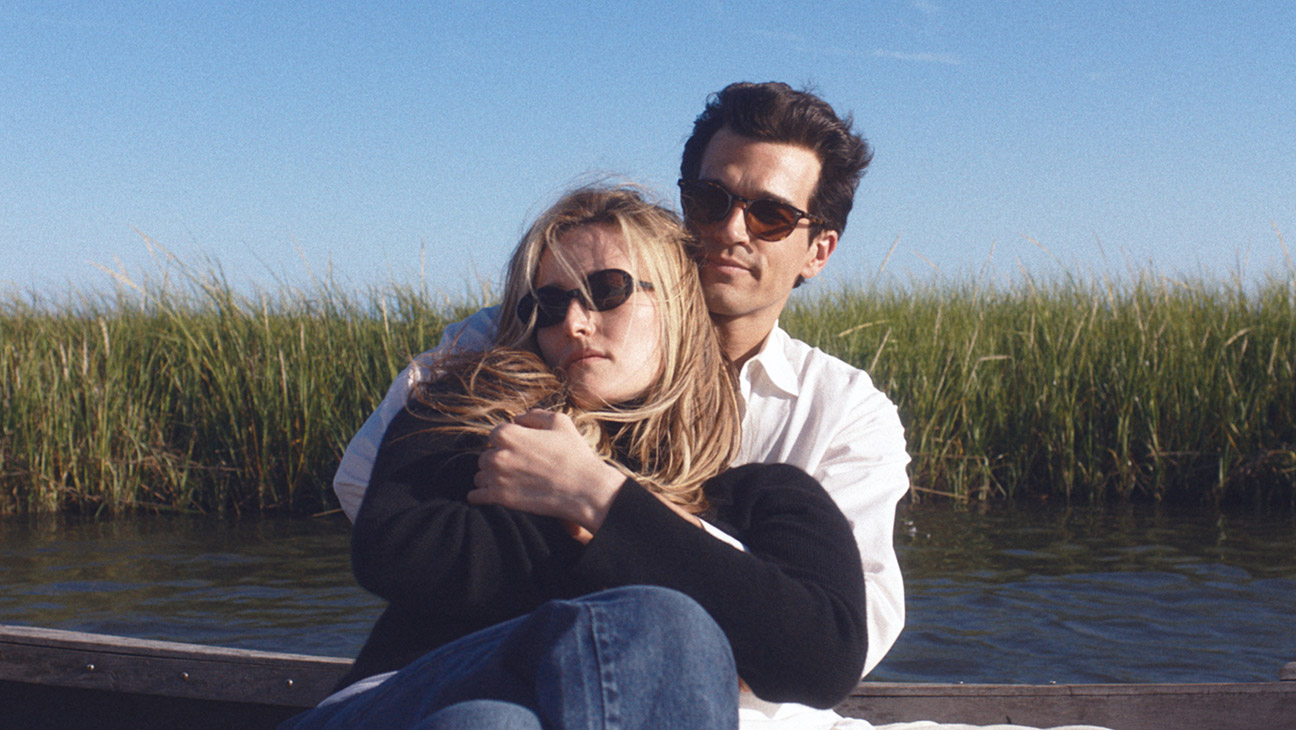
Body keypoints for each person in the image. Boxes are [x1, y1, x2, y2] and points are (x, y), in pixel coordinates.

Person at [336, 83, 912, 692]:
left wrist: (603, 507)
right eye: (711, 199)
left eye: (770, 215)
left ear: (817, 251)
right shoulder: (515, 335)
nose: (730, 229)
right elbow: (373, 497)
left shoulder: (843, 414)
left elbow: (848, 631)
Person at [282, 185, 868, 729]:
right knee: (661, 623)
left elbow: (823, 659)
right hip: (397, 696)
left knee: (495, 723)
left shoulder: (766, 497)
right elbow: (396, 549)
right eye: (550, 302)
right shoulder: (476, 413)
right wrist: (632, 546)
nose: (574, 322)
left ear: (681, 303)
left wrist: (597, 497)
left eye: (607, 290)